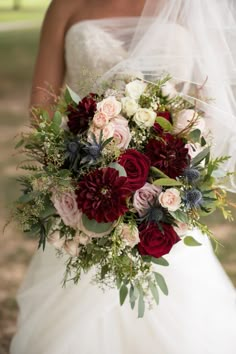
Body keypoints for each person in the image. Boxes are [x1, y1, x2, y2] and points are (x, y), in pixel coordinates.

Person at [11, 0, 236, 353]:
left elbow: (203, 103)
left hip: (165, 194)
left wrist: (173, 167)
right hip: (84, 191)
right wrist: (74, 171)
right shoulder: (65, 6)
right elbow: (41, 109)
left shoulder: (186, 7)